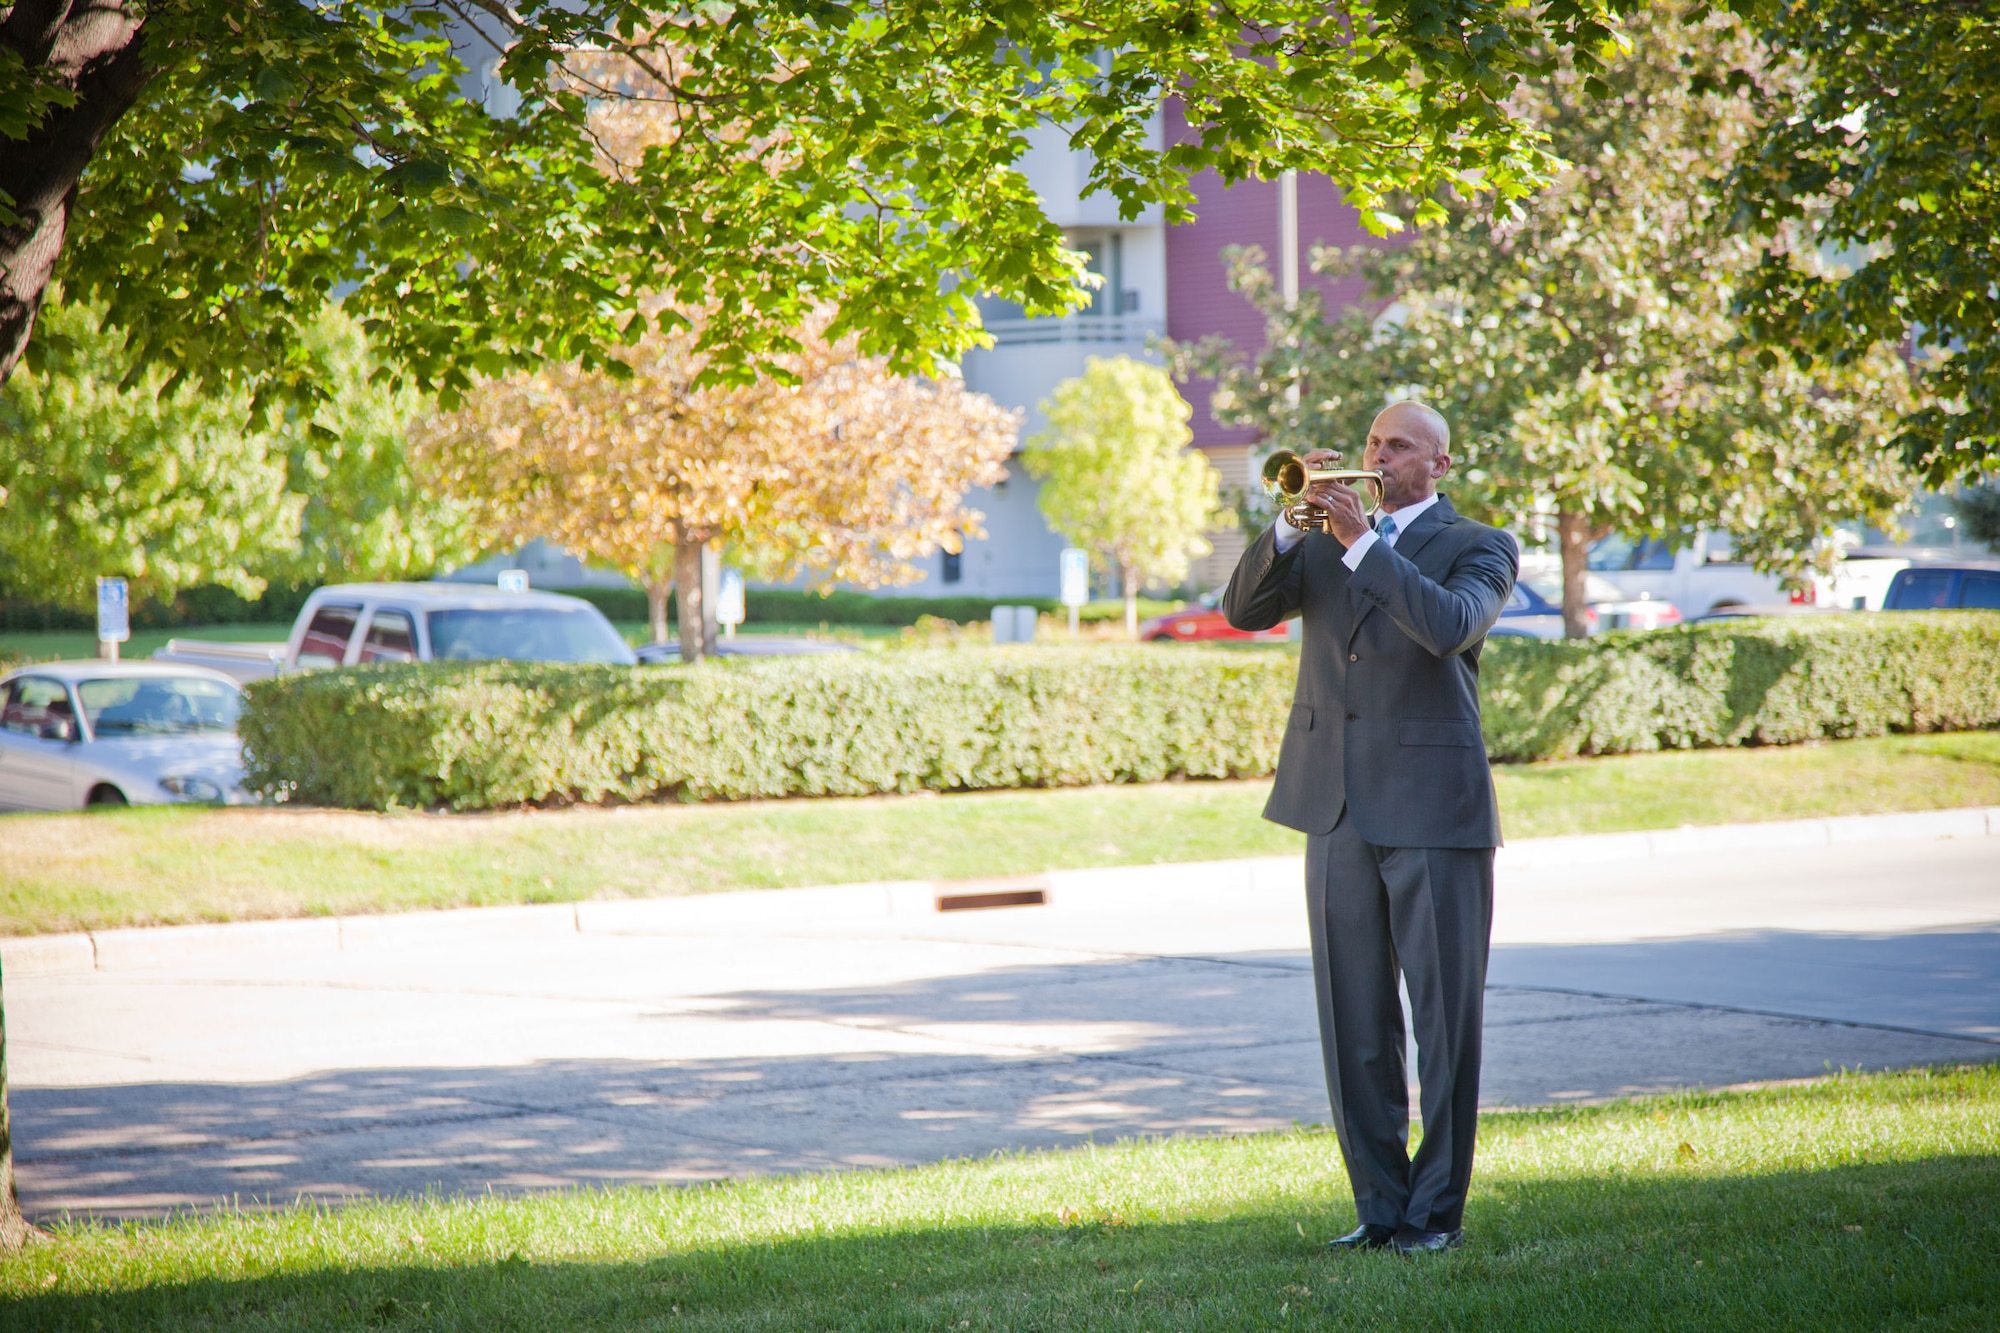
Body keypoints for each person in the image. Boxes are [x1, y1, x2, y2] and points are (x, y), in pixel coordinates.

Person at [1221, 401, 1517, 1254]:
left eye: (1397, 445)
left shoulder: (1481, 545)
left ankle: (1435, 1214)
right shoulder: (1318, 533)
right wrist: (1287, 523)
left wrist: (1363, 544)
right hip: (1334, 803)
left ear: (1440, 463)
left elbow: (1451, 627)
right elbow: (1243, 610)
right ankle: (1380, 1208)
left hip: (1435, 806)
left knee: (1444, 1022)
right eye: (1371, 443)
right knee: (1352, 1022)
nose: (1376, 455)